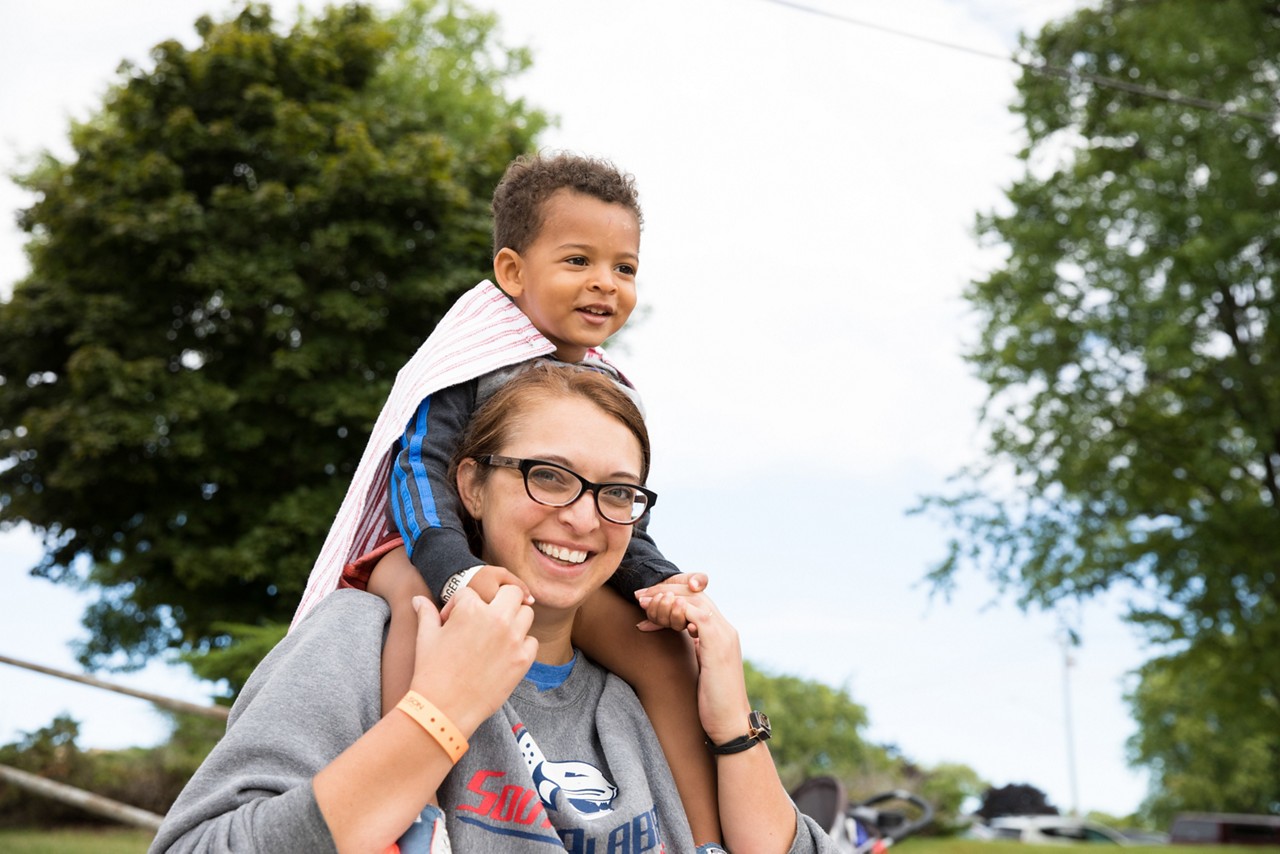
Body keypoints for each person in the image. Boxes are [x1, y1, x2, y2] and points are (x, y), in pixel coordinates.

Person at [151, 364, 836, 854]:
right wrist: (436, 720)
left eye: (618, 492)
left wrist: (732, 726)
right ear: (471, 486)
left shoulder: (647, 697)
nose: (582, 518)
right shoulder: (360, 641)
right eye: (549, 476)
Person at [290, 152, 720, 843]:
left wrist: (662, 586)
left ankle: (706, 836)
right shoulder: (470, 355)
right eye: (578, 261)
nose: (605, 284)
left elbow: (611, 514)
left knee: (667, 652)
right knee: (417, 610)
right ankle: (417, 816)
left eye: (625, 267)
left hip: (553, 570)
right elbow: (418, 469)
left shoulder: (604, 388)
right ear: (513, 272)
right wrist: (452, 567)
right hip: (436, 546)